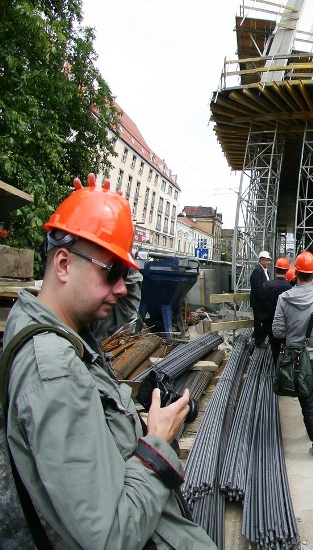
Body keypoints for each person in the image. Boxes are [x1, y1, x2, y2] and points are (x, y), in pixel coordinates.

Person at [4, 174, 216, 548]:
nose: (122, 286)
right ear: (65, 265)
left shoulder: (67, 329)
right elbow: (109, 537)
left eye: (125, 273)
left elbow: (125, 304)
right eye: (112, 273)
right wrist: (156, 444)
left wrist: (116, 228)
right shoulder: (55, 372)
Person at [272, 251, 313, 462]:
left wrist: (295, 332)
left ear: (296, 274)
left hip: (297, 360)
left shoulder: (284, 299)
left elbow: (277, 332)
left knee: (308, 403)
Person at [261, 257, 292, 362]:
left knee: (275, 350)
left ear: (276, 269)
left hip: (270, 323)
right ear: (287, 271)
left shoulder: (266, 285)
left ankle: (276, 371)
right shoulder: (290, 288)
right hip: (286, 324)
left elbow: (262, 305)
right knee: (286, 351)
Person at [250, 249, 272, 347]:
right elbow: (257, 288)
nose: (269, 262)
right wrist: (264, 299)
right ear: (261, 260)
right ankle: (259, 342)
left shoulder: (264, 271)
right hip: (259, 303)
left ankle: (259, 338)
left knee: (265, 322)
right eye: (267, 260)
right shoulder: (257, 271)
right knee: (258, 323)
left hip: (262, 302)